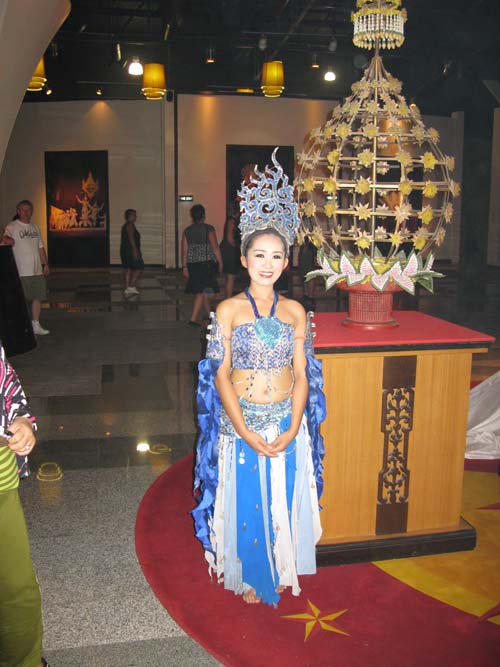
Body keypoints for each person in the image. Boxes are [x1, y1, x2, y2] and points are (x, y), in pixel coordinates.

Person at [192, 149, 326, 607]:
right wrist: (245, 429)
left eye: (277, 256)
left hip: (285, 416)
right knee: (248, 497)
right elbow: (220, 375)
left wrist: (294, 424)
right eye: (259, 255)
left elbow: (303, 375)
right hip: (243, 418)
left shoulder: (296, 311)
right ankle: (251, 572)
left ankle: (282, 564)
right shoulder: (227, 310)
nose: (268, 263)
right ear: (245, 259)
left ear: (286, 262)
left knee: (282, 493)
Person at [0, 343, 49, 667]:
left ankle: (25, 660)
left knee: (16, 587)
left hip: (1, 477)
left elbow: (9, 386)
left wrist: (22, 422)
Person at [2, 201, 50, 336]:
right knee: (20, 301)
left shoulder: (35, 227)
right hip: (21, 271)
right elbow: (5, 237)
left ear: (32, 211)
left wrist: (45, 264)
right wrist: (7, 239)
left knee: (38, 297)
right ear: (18, 211)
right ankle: (20, 327)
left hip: (37, 271)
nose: (26, 212)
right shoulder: (12, 226)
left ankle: (36, 325)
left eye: (28, 210)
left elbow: (40, 247)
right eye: (23, 210)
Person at [181, 204, 223, 327]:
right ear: (203, 215)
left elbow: (184, 251)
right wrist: (220, 262)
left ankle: (210, 313)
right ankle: (193, 319)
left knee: (202, 290)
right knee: (206, 292)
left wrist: (184, 267)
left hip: (192, 264)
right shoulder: (208, 229)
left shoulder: (187, 231)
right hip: (206, 264)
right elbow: (215, 248)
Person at [120, 209, 144, 297]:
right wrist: (135, 250)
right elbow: (131, 238)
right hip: (130, 251)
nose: (136, 217)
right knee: (139, 266)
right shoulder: (130, 225)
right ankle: (131, 286)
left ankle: (127, 287)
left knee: (128, 268)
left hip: (124, 251)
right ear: (130, 216)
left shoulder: (125, 225)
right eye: (134, 215)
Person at [219, 200, 241, 298]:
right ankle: (228, 297)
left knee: (229, 276)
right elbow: (230, 238)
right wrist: (237, 248)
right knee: (231, 276)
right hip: (229, 250)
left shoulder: (230, 220)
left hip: (227, 249)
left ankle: (228, 296)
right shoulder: (232, 221)